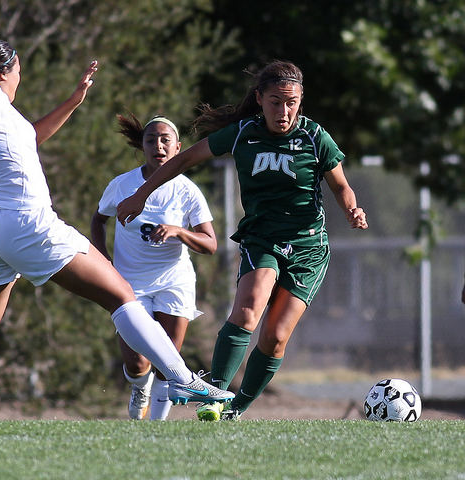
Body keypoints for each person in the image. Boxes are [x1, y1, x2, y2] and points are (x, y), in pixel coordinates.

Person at [0, 27, 233, 421]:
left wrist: (74, 100)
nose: (20, 77)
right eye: (19, 70)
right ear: (6, 71)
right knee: (122, 295)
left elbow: (31, 137)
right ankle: (181, 378)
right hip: (25, 222)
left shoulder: (2, 110)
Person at [116, 60, 368, 421]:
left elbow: (340, 185)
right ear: (260, 99)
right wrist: (141, 194)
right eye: (276, 102)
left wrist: (352, 209)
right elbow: (184, 159)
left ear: (300, 101)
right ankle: (215, 394)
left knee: (275, 337)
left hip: (308, 248)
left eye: (292, 102)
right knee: (248, 311)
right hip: (261, 239)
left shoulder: (315, 137)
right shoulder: (242, 133)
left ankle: (238, 408)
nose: (284, 111)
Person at [91, 114, 217, 420]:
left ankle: (156, 431)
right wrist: (103, 260)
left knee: (167, 362)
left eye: (165, 140)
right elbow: (99, 219)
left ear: (178, 148)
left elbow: (210, 244)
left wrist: (179, 231)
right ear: (142, 146)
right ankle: (138, 387)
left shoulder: (187, 190)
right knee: (136, 363)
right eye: (151, 139)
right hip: (129, 283)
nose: (158, 145)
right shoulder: (122, 185)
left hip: (174, 281)